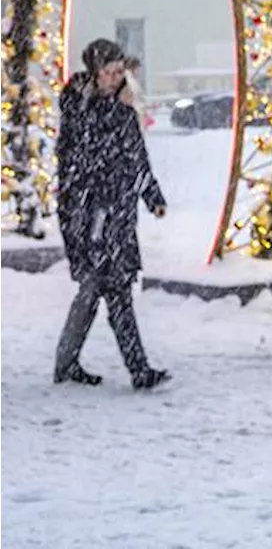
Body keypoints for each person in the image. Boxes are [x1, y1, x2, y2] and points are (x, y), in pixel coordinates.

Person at [53, 39, 170, 390]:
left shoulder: (121, 110)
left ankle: (69, 362)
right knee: (109, 289)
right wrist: (114, 111)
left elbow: (137, 158)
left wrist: (153, 196)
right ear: (96, 73)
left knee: (100, 290)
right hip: (89, 215)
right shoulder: (80, 106)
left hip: (116, 214)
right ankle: (136, 369)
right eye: (110, 72)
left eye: (121, 72)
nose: (117, 78)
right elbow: (84, 155)